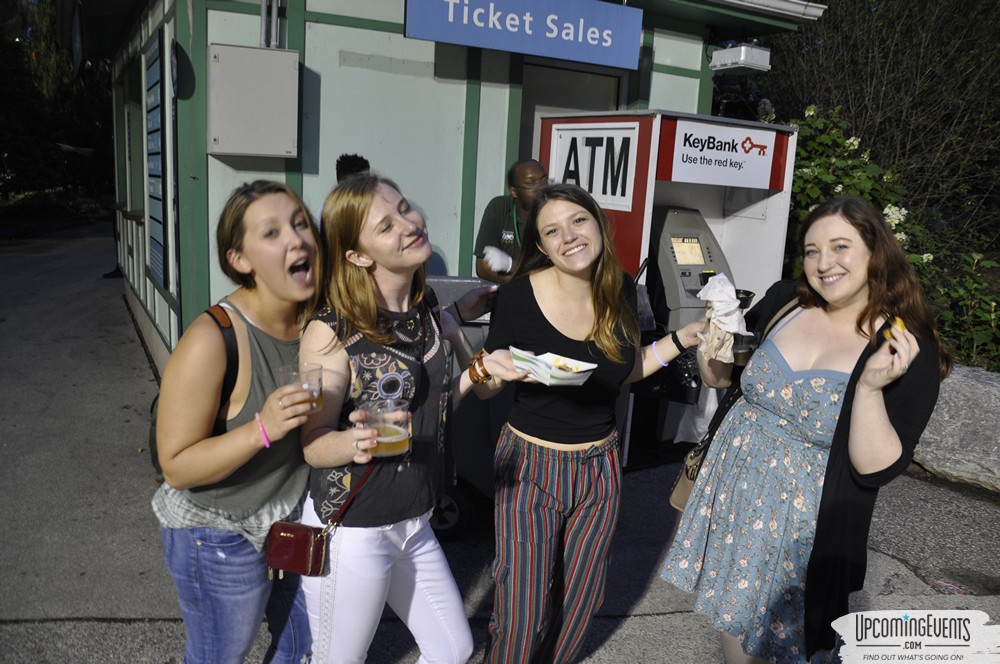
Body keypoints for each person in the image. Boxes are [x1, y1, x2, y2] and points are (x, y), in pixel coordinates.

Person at [661, 196, 952, 663]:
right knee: (734, 629)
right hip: (733, 495)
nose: (823, 263)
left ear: (876, 252)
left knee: (793, 648)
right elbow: (719, 379)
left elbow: (876, 468)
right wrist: (714, 329)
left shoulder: (903, 347)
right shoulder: (784, 302)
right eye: (812, 250)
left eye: (841, 247)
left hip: (803, 529)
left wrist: (872, 389)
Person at [297, 173, 525, 663]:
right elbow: (313, 443)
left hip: (414, 519)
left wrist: (483, 369)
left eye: (404, 208)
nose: (408, 223)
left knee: (452, 647)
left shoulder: (426, 307)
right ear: (358, 255)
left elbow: (444, 402)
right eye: (386, 225)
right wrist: (354, 442)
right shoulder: (329, 331)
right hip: (353, 530)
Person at [474, 183, 705, 663]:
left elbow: (625, 369)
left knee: (580, 606)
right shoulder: (517, 295)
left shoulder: (620, 286)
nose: (569, 237)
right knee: (523, 613)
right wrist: (487, 370)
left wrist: (682, 338)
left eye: (577, 221)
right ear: (540, 246)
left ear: (597, 223)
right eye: (552, 231)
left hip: (599, 467)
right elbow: (485, 384)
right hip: (529, 465)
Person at [152, 180, 319, 663]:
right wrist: (261, 429)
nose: (296, 239)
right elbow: (177, 467)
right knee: (221, 656)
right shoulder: (214, 337)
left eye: (300, 223)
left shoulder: (318, 320)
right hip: (220, 535)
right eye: (271, 233)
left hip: (292, 520)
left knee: (305, 647)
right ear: (240, 260)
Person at [473, 158, 548, 283]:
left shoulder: (554, 214)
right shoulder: (499, 207)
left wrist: (510, 265)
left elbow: (553, 272)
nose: (541, 188)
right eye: (531, 183)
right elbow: (482, 267)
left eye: (544, 181)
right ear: (514, 192)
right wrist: (515, 286)